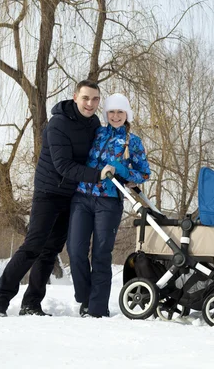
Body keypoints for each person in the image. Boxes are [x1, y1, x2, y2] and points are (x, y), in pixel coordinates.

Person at [0, 80, 111, 317]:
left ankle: (31, 303)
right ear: (75, 97)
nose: (90, 104)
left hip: (72, 195)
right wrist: (98, 176)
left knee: (51, 250)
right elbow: (64, 166)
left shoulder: (94, 123)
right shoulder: (58, 124)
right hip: (48, 192)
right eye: (86, 98)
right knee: (33, 246)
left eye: (95, 99)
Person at [67, 93, 151, 318]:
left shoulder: (131, 141)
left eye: (120, 112)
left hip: (109, 201)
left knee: (101, 254)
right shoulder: (97, 132)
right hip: (82, 196)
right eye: (112, 112)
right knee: (75, 250)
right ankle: (85, 298)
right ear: (106, 114)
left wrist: (122, 170)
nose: (115, 116)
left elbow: (144, 173)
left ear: (127, 114)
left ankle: (96, 309)